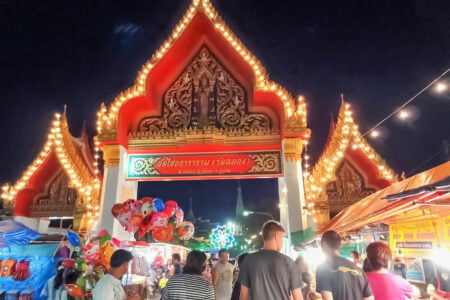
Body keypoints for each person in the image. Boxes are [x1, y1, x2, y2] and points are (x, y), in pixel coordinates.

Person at [238, 220, 304, 300]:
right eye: (282, 238)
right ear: (277, 236)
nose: (282, 242)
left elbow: (243, 296)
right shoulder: (288, 262)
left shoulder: (248, 260)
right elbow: (298, 297)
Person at [316, 230, 373, 300]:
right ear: (339, 245)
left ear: (324, 244)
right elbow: (369, 298)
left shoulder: (323, 269)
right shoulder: (358, 270)